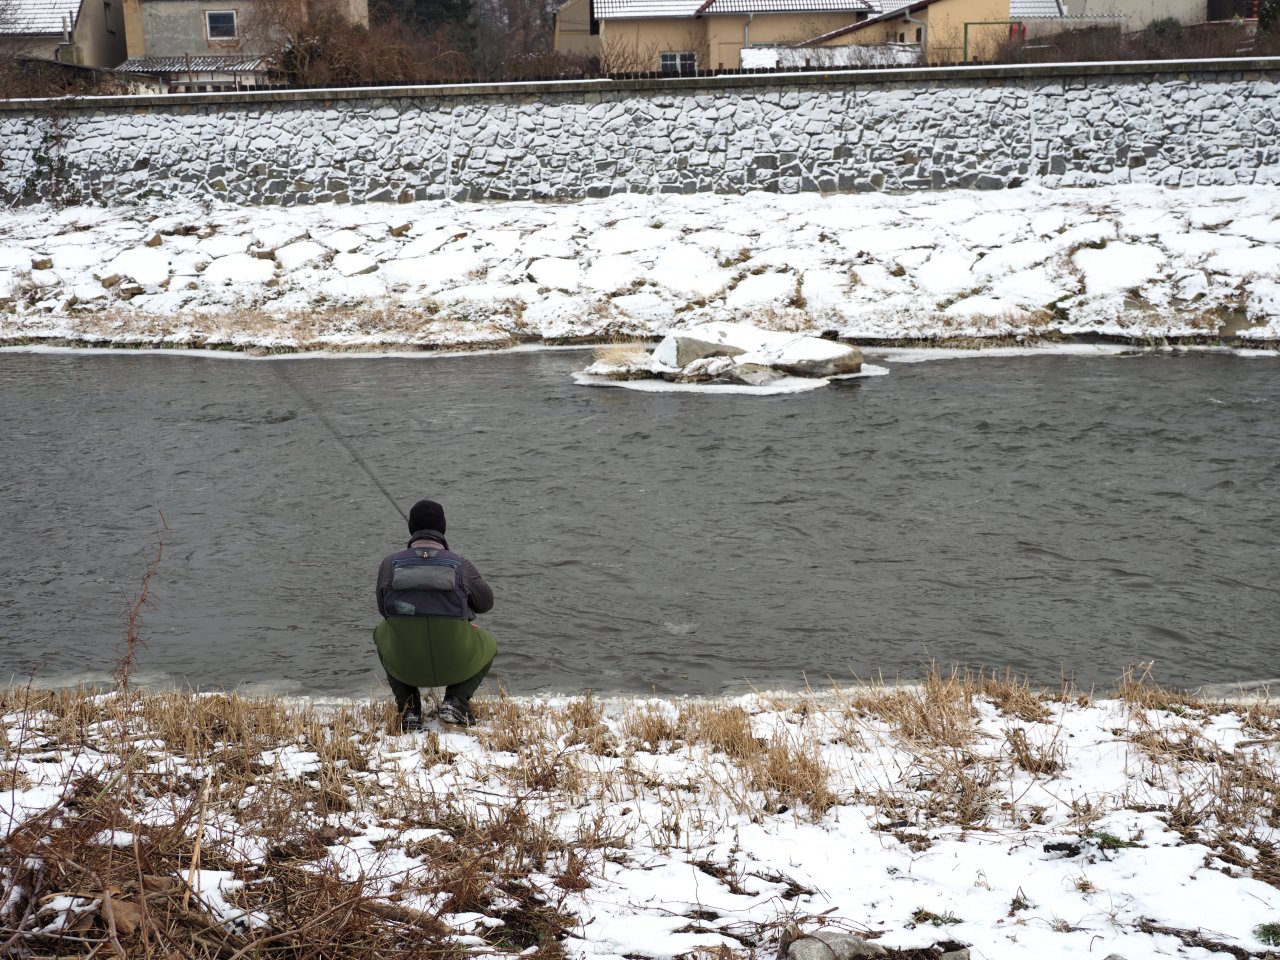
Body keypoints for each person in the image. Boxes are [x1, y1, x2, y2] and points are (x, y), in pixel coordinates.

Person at [375, 499, 495, 731]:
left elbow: (385, 611)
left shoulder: (389, 564)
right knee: (489, 642)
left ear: (412, 528)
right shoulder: (461, 564)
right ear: (443, 527)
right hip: (455, 661)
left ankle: (409, 708)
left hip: (407, 664)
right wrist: (464, 616)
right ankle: (456, 701)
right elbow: (486, 604)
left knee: (381, 632)